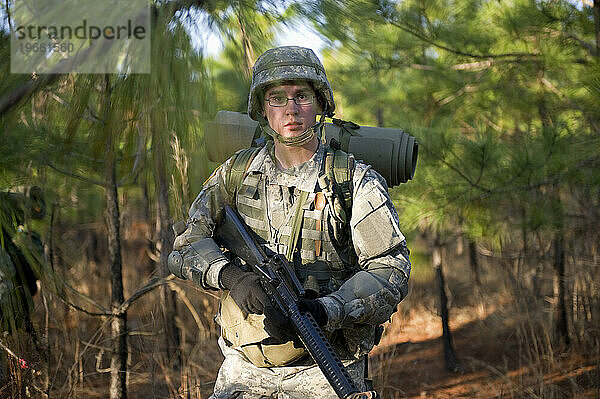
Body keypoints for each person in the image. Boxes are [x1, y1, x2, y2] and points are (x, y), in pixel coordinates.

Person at [168, 46, 411, 399]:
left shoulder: (353, 180)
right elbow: (185, 246)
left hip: (326, 367)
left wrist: (327, 309)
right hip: (244, 368)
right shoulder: (235, 174)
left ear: (322, 104)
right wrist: (233, 277)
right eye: (277, 98)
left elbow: (390, 269)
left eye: (302, 96)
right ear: (262, 110)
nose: (291, 109)